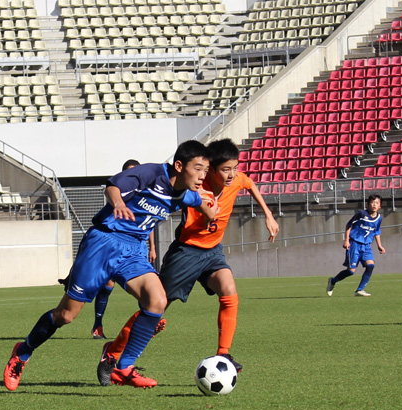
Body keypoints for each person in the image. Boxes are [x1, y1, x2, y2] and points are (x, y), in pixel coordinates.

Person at [3, 141, 217, 391]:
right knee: (66, 315)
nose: (202, 176)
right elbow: (113, 186)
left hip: (134, 250)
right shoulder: (152, 173)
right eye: (198, 169)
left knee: (157, 301)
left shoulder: (187, 194)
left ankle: (123, 367)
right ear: (179, 166)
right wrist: (118, 203)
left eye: (206, 170)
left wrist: (211, 213)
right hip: (104, 243)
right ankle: (22, 352)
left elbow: (201, 204)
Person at [96, 138, 279, 385]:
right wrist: (206, 212)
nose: (232, 174)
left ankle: (224, 354)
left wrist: (268, 215)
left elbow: (250, 184)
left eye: (235, 168)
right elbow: (183, 212)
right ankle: (113, 352)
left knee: (228, 288)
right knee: (155, 308)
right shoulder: (195, 189)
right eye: (225, 169)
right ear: (211, 170)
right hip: (186, 253)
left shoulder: (236, 179)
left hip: (213, 251)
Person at [89, 158, 159, 339]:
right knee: (107, 285)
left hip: (138, 246)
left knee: (146, 286)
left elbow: (149, 224)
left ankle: (146, 325)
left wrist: (152, 247)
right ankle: (98, 325)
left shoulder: (147, 194)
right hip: (117, 245)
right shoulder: (119, 194)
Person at [326, 194, 386, 297]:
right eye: (372, 202)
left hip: (366, 245)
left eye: (377, 203)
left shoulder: (379, 218)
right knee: (351, 271)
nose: (374, 205)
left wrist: (379, 245)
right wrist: (347, 240)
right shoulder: (361, 214)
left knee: (370, 265)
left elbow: (376, 232)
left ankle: (360, 290)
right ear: (368, 204)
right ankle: (333, 281)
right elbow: (349, 225)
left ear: (380, 206)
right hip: (355, 244)